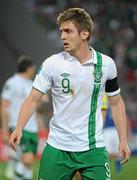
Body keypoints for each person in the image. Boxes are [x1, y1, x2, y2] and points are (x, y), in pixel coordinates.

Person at [9, 8, 131, 180]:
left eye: (68, 31)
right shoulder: (52, 64)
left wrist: (123, 140)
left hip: (93, 149)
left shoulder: (106, 65)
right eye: (61, 31)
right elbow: (32, 100)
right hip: (58, 148)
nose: (62, 36)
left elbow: (116, 103)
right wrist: (19, 127)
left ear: (84, 34)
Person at [1, 55, 38, 180]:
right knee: (27, 160)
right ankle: (13, 163)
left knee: (28, 165)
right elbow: (4, 107)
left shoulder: (32, 83)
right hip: (18, 126)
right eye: (33, 67)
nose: (34, 69)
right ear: (28, 68)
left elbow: (36, 102)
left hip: (33, 127)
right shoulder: (12, 83)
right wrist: (5, 129)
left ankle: (14, 163)